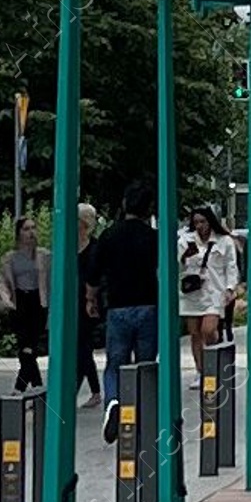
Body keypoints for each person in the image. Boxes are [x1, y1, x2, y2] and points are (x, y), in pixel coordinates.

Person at [86, 180, 158, 445]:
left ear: (125, 204)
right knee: (145, 364)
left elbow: (94, 273)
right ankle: (140, 415)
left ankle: (115, 401)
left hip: (117, 307)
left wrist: (90, 299)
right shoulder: (153, 238)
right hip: (148, 306)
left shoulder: (110, 235)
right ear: (148, 209)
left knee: (115, 363)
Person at [178, 206, 239, 374]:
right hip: (192, 294)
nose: (199, 226)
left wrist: (229, 288)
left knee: (208, 330)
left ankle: (213, 354)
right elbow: (177, 266)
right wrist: (185, 256)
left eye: (202, 221)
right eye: (196, 222)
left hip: (214, 292)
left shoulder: (224, 241)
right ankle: (200, 370)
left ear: (210, 221)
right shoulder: (185, 241)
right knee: (195, 333)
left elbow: (231, 267)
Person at [0, 217, 50, 392]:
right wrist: (6, 300)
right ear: (19, 233)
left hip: (38, 301)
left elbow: (51, 279)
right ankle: (37, 387)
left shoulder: (44, 255)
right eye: (26, 229)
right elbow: (2, 282)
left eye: (33, 228)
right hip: (20, 301)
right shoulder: (10, 258)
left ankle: (20, 387)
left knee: (30, 347)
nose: (31, 232)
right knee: (24, 348)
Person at [76, 203, 101, 408]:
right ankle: (89, 390)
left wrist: (92, 299)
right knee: (79, 346)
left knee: (83, 346)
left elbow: (98, 275)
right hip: (72, 300)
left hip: (88, 301)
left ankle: (94, 390)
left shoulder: (95, 247)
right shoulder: (68, 246)